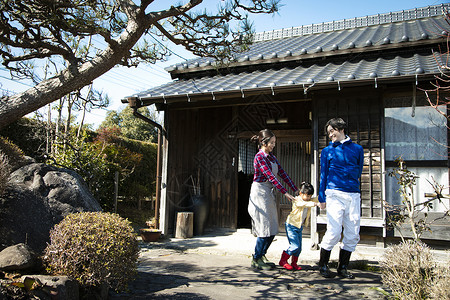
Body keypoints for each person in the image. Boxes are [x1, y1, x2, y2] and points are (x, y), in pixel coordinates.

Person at [318, 117, 364, 279]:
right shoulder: (327, 151)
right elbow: (323, 175)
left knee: (353, 233)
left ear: (342, 129)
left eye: (332, 131)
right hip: (334, 193)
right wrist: (321, 197)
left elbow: (358, 171)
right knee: (334, 231)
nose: (330, 135)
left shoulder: (358, 149)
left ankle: (342, 268)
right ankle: (323, 265)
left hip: (353, 194)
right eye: (328, 132)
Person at [248, 129, 298, 270]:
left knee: (273, 227)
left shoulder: (272, 158)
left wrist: (294, 188)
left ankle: (262, 255)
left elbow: (282, 173)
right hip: (259, 194)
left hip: (268, 193)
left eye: (274, 143)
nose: (273, 145)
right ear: (264, 143)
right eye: (272, 143)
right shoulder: (259, 157)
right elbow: (271, 177)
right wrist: (285, 193)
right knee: (264, 228)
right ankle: (256, 258)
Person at [279, 182, 318, 270]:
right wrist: (314, 204)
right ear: (301, 193)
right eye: (307, 196)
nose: (308, 198)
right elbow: (302, 204)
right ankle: (283, 260)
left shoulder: (308, 200)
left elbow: (316, 199)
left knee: (299, 248)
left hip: (299, 226)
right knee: (294, 246)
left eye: (310, 196)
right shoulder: (297, 200)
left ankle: (294, 263)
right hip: (291, 225)